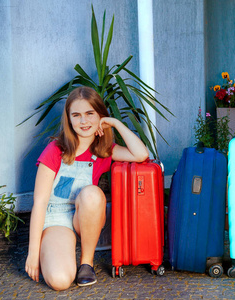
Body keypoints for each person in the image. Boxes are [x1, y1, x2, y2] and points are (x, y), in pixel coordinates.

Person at [25, 86, 149, 290]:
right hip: (56, 219)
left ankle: (86, 263)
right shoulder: (56, 149)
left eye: (90, 114)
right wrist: (33, 253)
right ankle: (59, 250)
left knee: (92, 194)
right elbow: (39, 203)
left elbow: (141, 154)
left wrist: (115, 123)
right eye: (76, 115)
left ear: (100, 115)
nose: (83, 121)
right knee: (60, 281)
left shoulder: (104, 150)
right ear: (69, 119)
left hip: (85, 216)